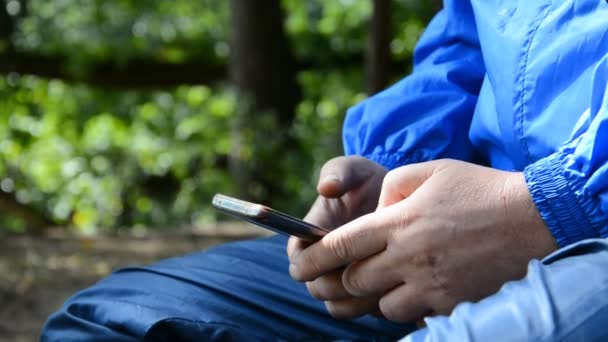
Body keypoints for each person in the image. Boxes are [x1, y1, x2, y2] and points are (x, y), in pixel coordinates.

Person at [42, 0, 608, 341]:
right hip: (478, 222)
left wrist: (553, 207)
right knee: (111, 324)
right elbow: (469, 39)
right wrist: (399, 174)